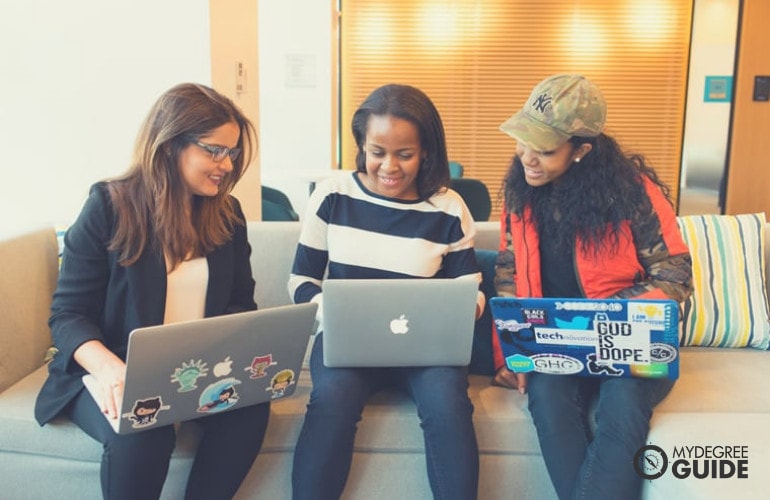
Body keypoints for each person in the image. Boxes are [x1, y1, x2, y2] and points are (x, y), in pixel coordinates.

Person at [34, 83, 269, 500]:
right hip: (112, 374)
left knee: (248, 412)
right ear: (170, 144)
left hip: (193, 373)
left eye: (232, 153)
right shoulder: (108, 206)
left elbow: (239, 304)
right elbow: (68, 315)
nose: (226, 165)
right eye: (214, 150)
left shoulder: (227, 215)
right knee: (146, 427)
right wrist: (108, 369)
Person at [492, 74, 693, 500]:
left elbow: (674, 275)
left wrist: (601, 318)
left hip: (633, 342)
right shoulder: (518, 194)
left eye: (544, 149)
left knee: (622, 403)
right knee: (546, 397)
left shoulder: (634, 194)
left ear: (581, 150)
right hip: (556, 344)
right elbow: (508, 274)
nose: (526, 156)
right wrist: (511, 353)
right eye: (522, 140)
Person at [289, 83, 483, 500]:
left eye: (405, 154)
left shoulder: (449, 208)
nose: (389, 166)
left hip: (427, 349)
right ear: (362, 146)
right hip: (346, 344)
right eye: (377, 152)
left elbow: (470, 290)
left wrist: (466, 307)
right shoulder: (332, 195)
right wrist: (331, 309)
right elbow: (301, 281)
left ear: (427, 150)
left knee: (447, 404)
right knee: (331, 401)